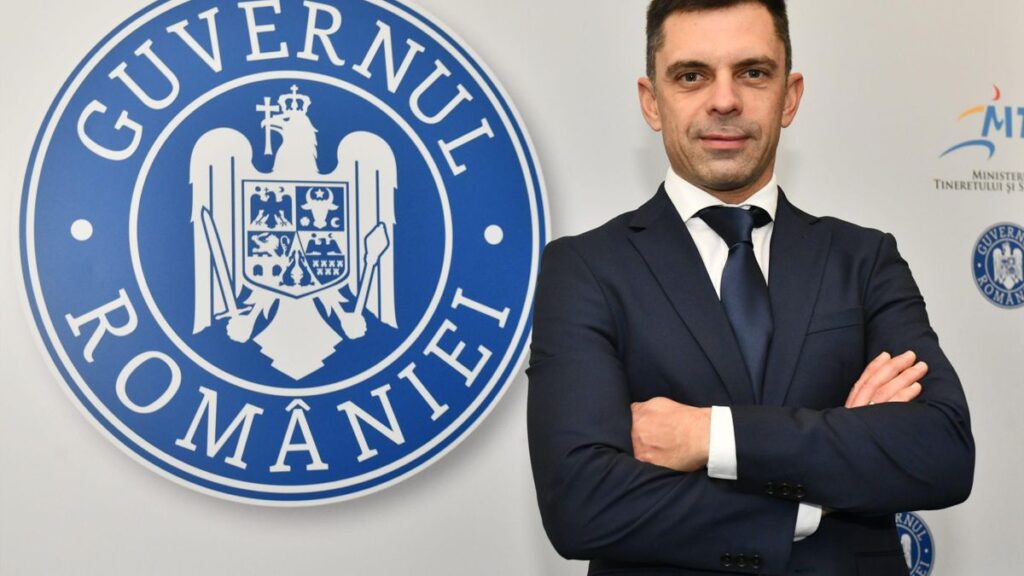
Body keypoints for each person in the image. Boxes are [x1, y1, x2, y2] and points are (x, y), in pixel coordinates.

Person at [526, 1, 975, 574]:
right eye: (692, 75)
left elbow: (941, 451)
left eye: (753, 72)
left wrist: (711, 435)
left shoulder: (863, 260)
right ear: (651, 101)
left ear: (790, 96)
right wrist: (821, 490)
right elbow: (581, 503)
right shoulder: (585, 268)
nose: (724, 100)